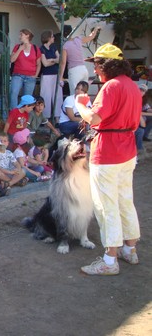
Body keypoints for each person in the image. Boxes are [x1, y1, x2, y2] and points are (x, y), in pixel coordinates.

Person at [76, 43, 142, 276]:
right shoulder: (132, 86)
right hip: (127, 150)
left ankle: (109, 260)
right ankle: (129, 249)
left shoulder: (111, 86)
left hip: (109, 151)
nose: (95, 70)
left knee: (106, 205)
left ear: (106, 64)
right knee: (125, 199)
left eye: (96, 64)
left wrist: (80, 105)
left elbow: (93, 118)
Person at [59, 25, 101, 95]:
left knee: (74, 94)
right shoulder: (78, 40)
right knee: (84, 93)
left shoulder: (65, 45)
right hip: (83, 69)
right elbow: (91, 37)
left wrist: (60, 78)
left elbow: (63, 62)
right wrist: (95, 29)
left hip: (74, 71)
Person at [9, 29, 41, 110]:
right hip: (18, 74)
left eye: (21, 34)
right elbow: (12, 60)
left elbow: (38, 63)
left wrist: (36, 75)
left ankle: (24, 115)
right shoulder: (17, 47)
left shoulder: (35, 48)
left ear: (27, 35)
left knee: (27, 98)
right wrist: (20, 49)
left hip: (30, 76)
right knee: (13, 93)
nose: (19, 37)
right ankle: (14, 113)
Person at [39, 30, 61, 119]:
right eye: (52, 36)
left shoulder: (54, 47)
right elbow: (45, 64)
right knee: (46, 96)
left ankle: (57, 117)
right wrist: (54, 60)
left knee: (58, 96)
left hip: (56, 74)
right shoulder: (41, 49)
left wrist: (51, 60)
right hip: (46, 75)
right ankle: (45, 117)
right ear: (48, 38)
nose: (54, 38)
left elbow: (60, 59)